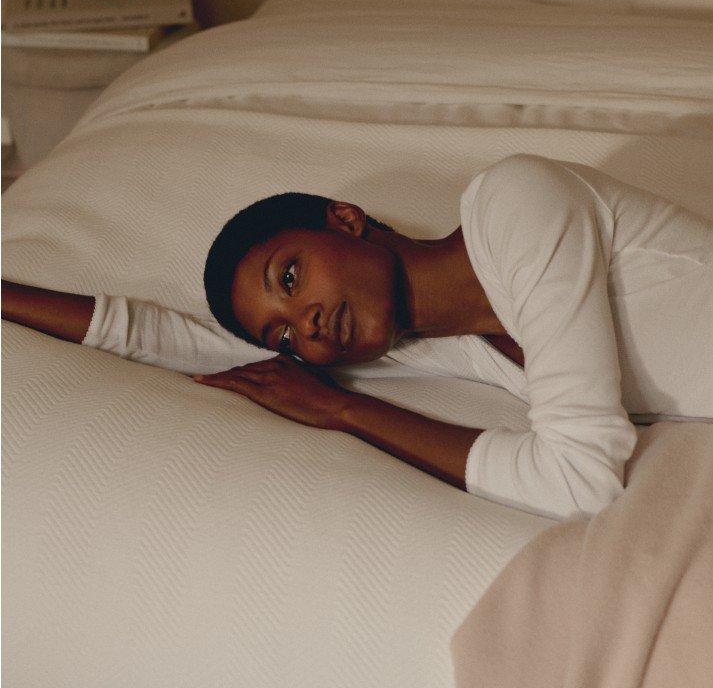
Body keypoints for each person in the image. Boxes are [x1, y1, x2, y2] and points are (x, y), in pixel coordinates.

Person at [4, 154, 712, 520]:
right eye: (282, 336)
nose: (304, 325)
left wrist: (346, 413)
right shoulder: (419, 346)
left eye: (290, 276)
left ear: (345, 220)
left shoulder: (517, 202)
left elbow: (579, 482)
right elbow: (161, 337)